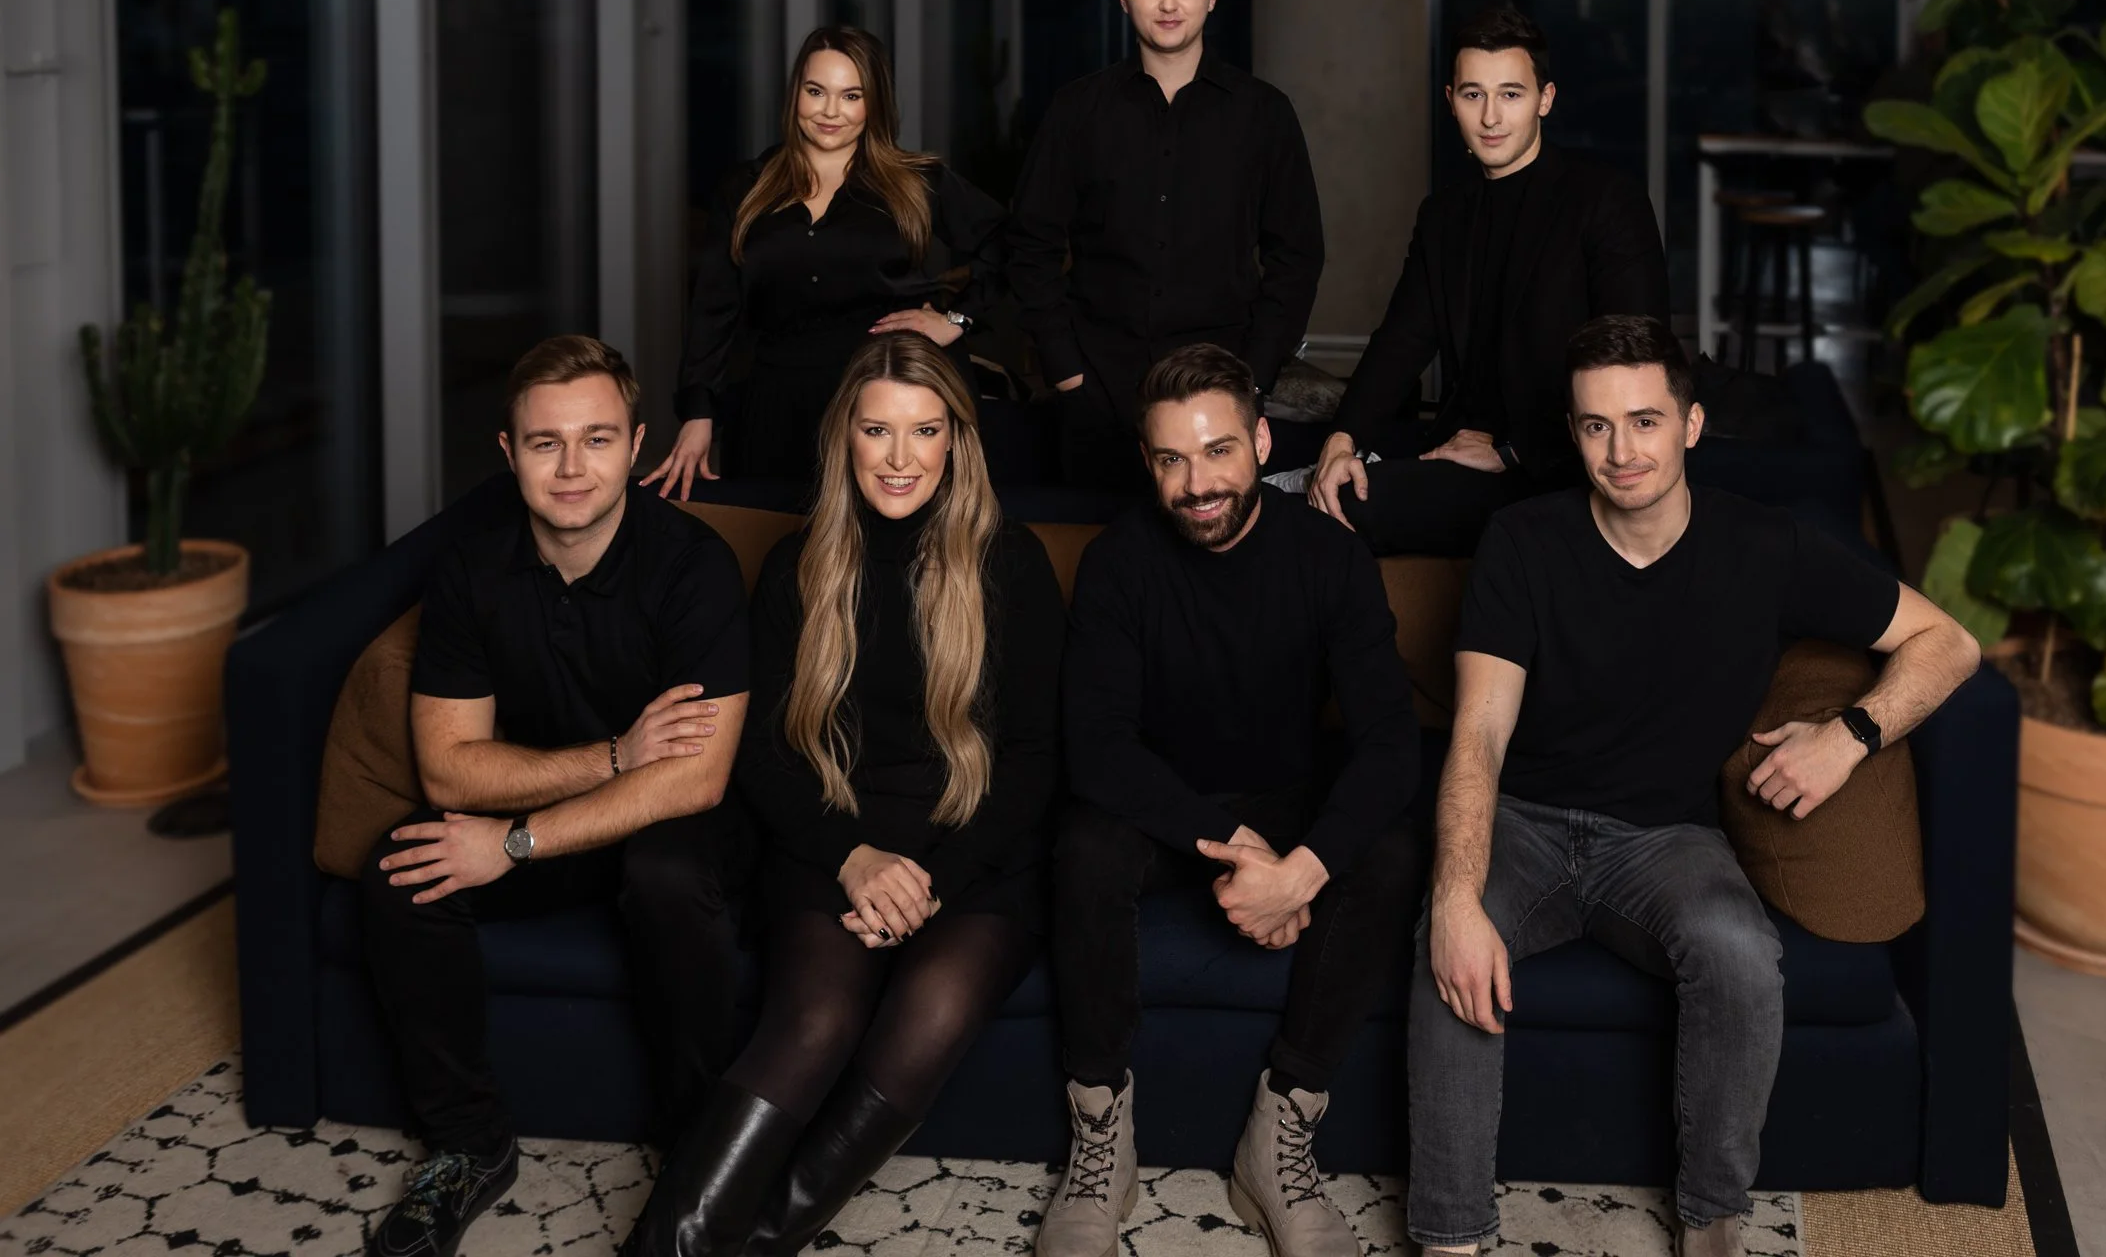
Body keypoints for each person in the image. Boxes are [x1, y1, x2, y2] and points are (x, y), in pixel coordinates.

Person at [1408, 315, 1980, 1257]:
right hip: (1524, 823)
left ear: (1692, 425)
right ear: (1572, 432)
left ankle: (1712, 1226)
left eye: (1645, 421)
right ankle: (1451, 1241)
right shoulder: (1522, 540)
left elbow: (1948, 643)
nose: (1622, 451)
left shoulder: (1764, 546)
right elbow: (1479, 733)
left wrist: (1850, 737)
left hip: (1666, 841)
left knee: (1741, 954)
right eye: (1597, 426)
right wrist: (1458, 897)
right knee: (1449, 940)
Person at [627, 332, 1065, 1257]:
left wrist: (933, 882)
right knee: (815, 1018)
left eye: (925, 431)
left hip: (971, 848)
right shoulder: (798, 566)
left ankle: (743, 1243)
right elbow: (761, 755)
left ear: (957, 441)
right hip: (833, 839)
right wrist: (855, 859)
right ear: (844, 438)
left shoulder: (1011, 562)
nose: (901, 457)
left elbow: (1033, 759)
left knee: (934, 1008)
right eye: (878, 430)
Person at [361, 336, 753, 1257]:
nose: (573, 468)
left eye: (598, 439)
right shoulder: (472, 568)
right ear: (509, 452)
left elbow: (695, 777)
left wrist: (515, 842)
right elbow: (449, 769)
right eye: (546, 443)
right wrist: (615, 755)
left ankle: (696, 1147)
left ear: (637, 444)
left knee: (663, 874)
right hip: (582, 799)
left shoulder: (691, 564)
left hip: (680, 824)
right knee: (401, 870)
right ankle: (469, 1146)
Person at [1038, 344, 1425, 1257]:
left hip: (1289, 804)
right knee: (1084, 845)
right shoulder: (1118, 562)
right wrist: (1233, 843)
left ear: (1261, 443)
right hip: (1165, 807)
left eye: (1218, 451)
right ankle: (1099, 1130)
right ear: (1147, 462)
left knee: (1390, 849)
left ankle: (1281, 1128)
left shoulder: (1330, 557)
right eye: (1172, 459)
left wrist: (1301, 872)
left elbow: (1391, 744)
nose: (1197, 484)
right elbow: (1097, 748)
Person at [1307, 6, 1668, 555]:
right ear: (1451, 100)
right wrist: (1343, 438)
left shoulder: (1604, 201)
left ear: (1545, 99)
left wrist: (1512, 451)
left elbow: (1639, 363)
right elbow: (1401, 342)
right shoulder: (1444, 215)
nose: (1491, 117)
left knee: (1344, 506)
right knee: (1300, 474)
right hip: (1459, 445)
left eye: (1511, 94)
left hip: (1561, 463)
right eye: (1473, 94)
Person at [1007, 0, 1324, 490]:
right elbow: (1030, 245)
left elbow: (1297, 257)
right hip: (1098, 395)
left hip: (1219, 395)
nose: (1169, 2)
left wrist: (1252, 378)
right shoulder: (1077, 110)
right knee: (1093, 543)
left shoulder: (1264, 114)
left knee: (1215, 543)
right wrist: (1066, 370)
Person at [645, 26, 1007, 494]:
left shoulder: (916, 181)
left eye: (851, 95)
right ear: (795, 93)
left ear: (874, 103)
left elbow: (1009, 243)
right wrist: (699, 413)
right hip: (779, 400)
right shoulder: (745, 188)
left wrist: (957, 318)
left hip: (890, 397)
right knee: (772, 531)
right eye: (816, 91)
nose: (830, 111)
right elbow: (714, 310)